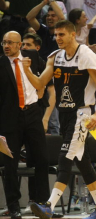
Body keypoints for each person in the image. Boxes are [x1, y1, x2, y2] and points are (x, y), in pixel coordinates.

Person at [22, 20, 96, 219]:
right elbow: (40, 83)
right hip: (64, 115)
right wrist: (27, 70)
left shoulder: (86, 55)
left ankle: (49, 206)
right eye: (55, 35)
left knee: (65, 157)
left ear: (73, 35)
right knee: (82, 161)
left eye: (62, 34)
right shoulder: (55, 57)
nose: (57, 38)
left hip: (82, 114)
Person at [0, 31, 50, 219]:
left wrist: (41, 94)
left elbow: (46, 78)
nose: (6, 46)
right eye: (4, 42)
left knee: (42, 159)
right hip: (9, 118)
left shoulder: (33, 56)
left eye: (10, 43)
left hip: (32, 113)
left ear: (20, 45)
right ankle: (14, 206)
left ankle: (42, 203)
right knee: (10, 163)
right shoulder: (1, 63)